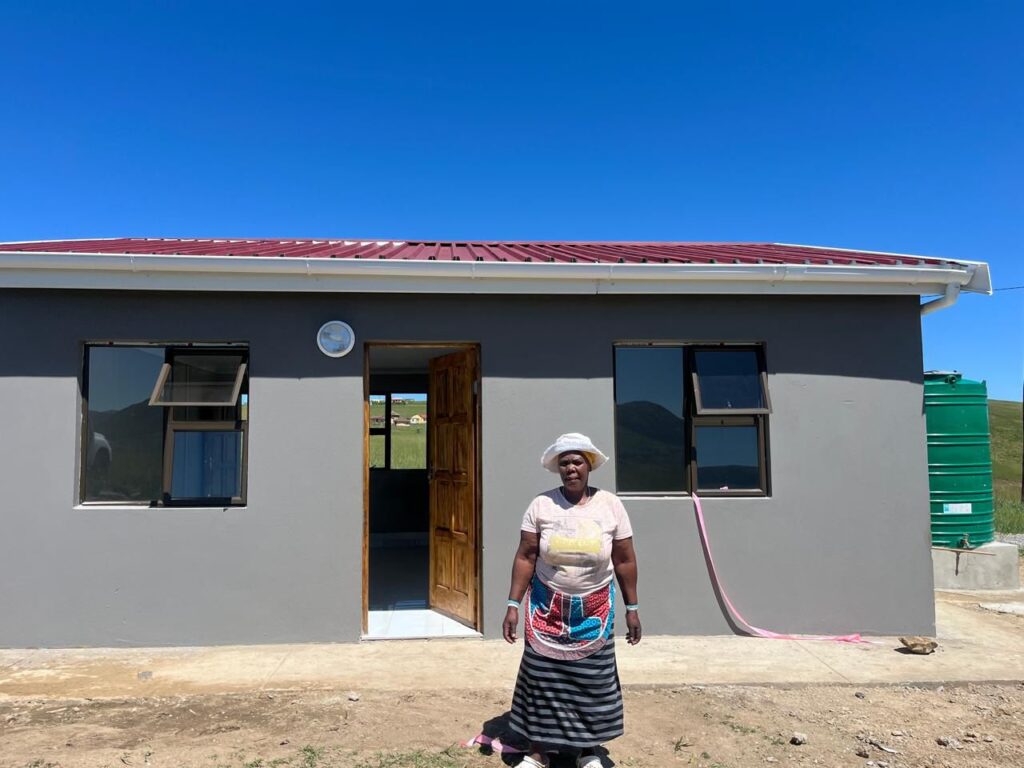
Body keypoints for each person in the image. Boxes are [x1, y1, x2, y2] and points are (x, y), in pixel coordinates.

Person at [503, 433, 641, 768]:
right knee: (542, 677)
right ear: (558, 469)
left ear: (588, 465)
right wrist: (513, 605)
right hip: (545, 607)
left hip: (595, 610)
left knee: (591, 681)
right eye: (564, 463)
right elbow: (526, 556)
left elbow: (624, 560)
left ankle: (586, 750)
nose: (571, 468)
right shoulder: (541, 505)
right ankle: (538, 751)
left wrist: (632, 608)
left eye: (577, 461)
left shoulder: (610, 506)